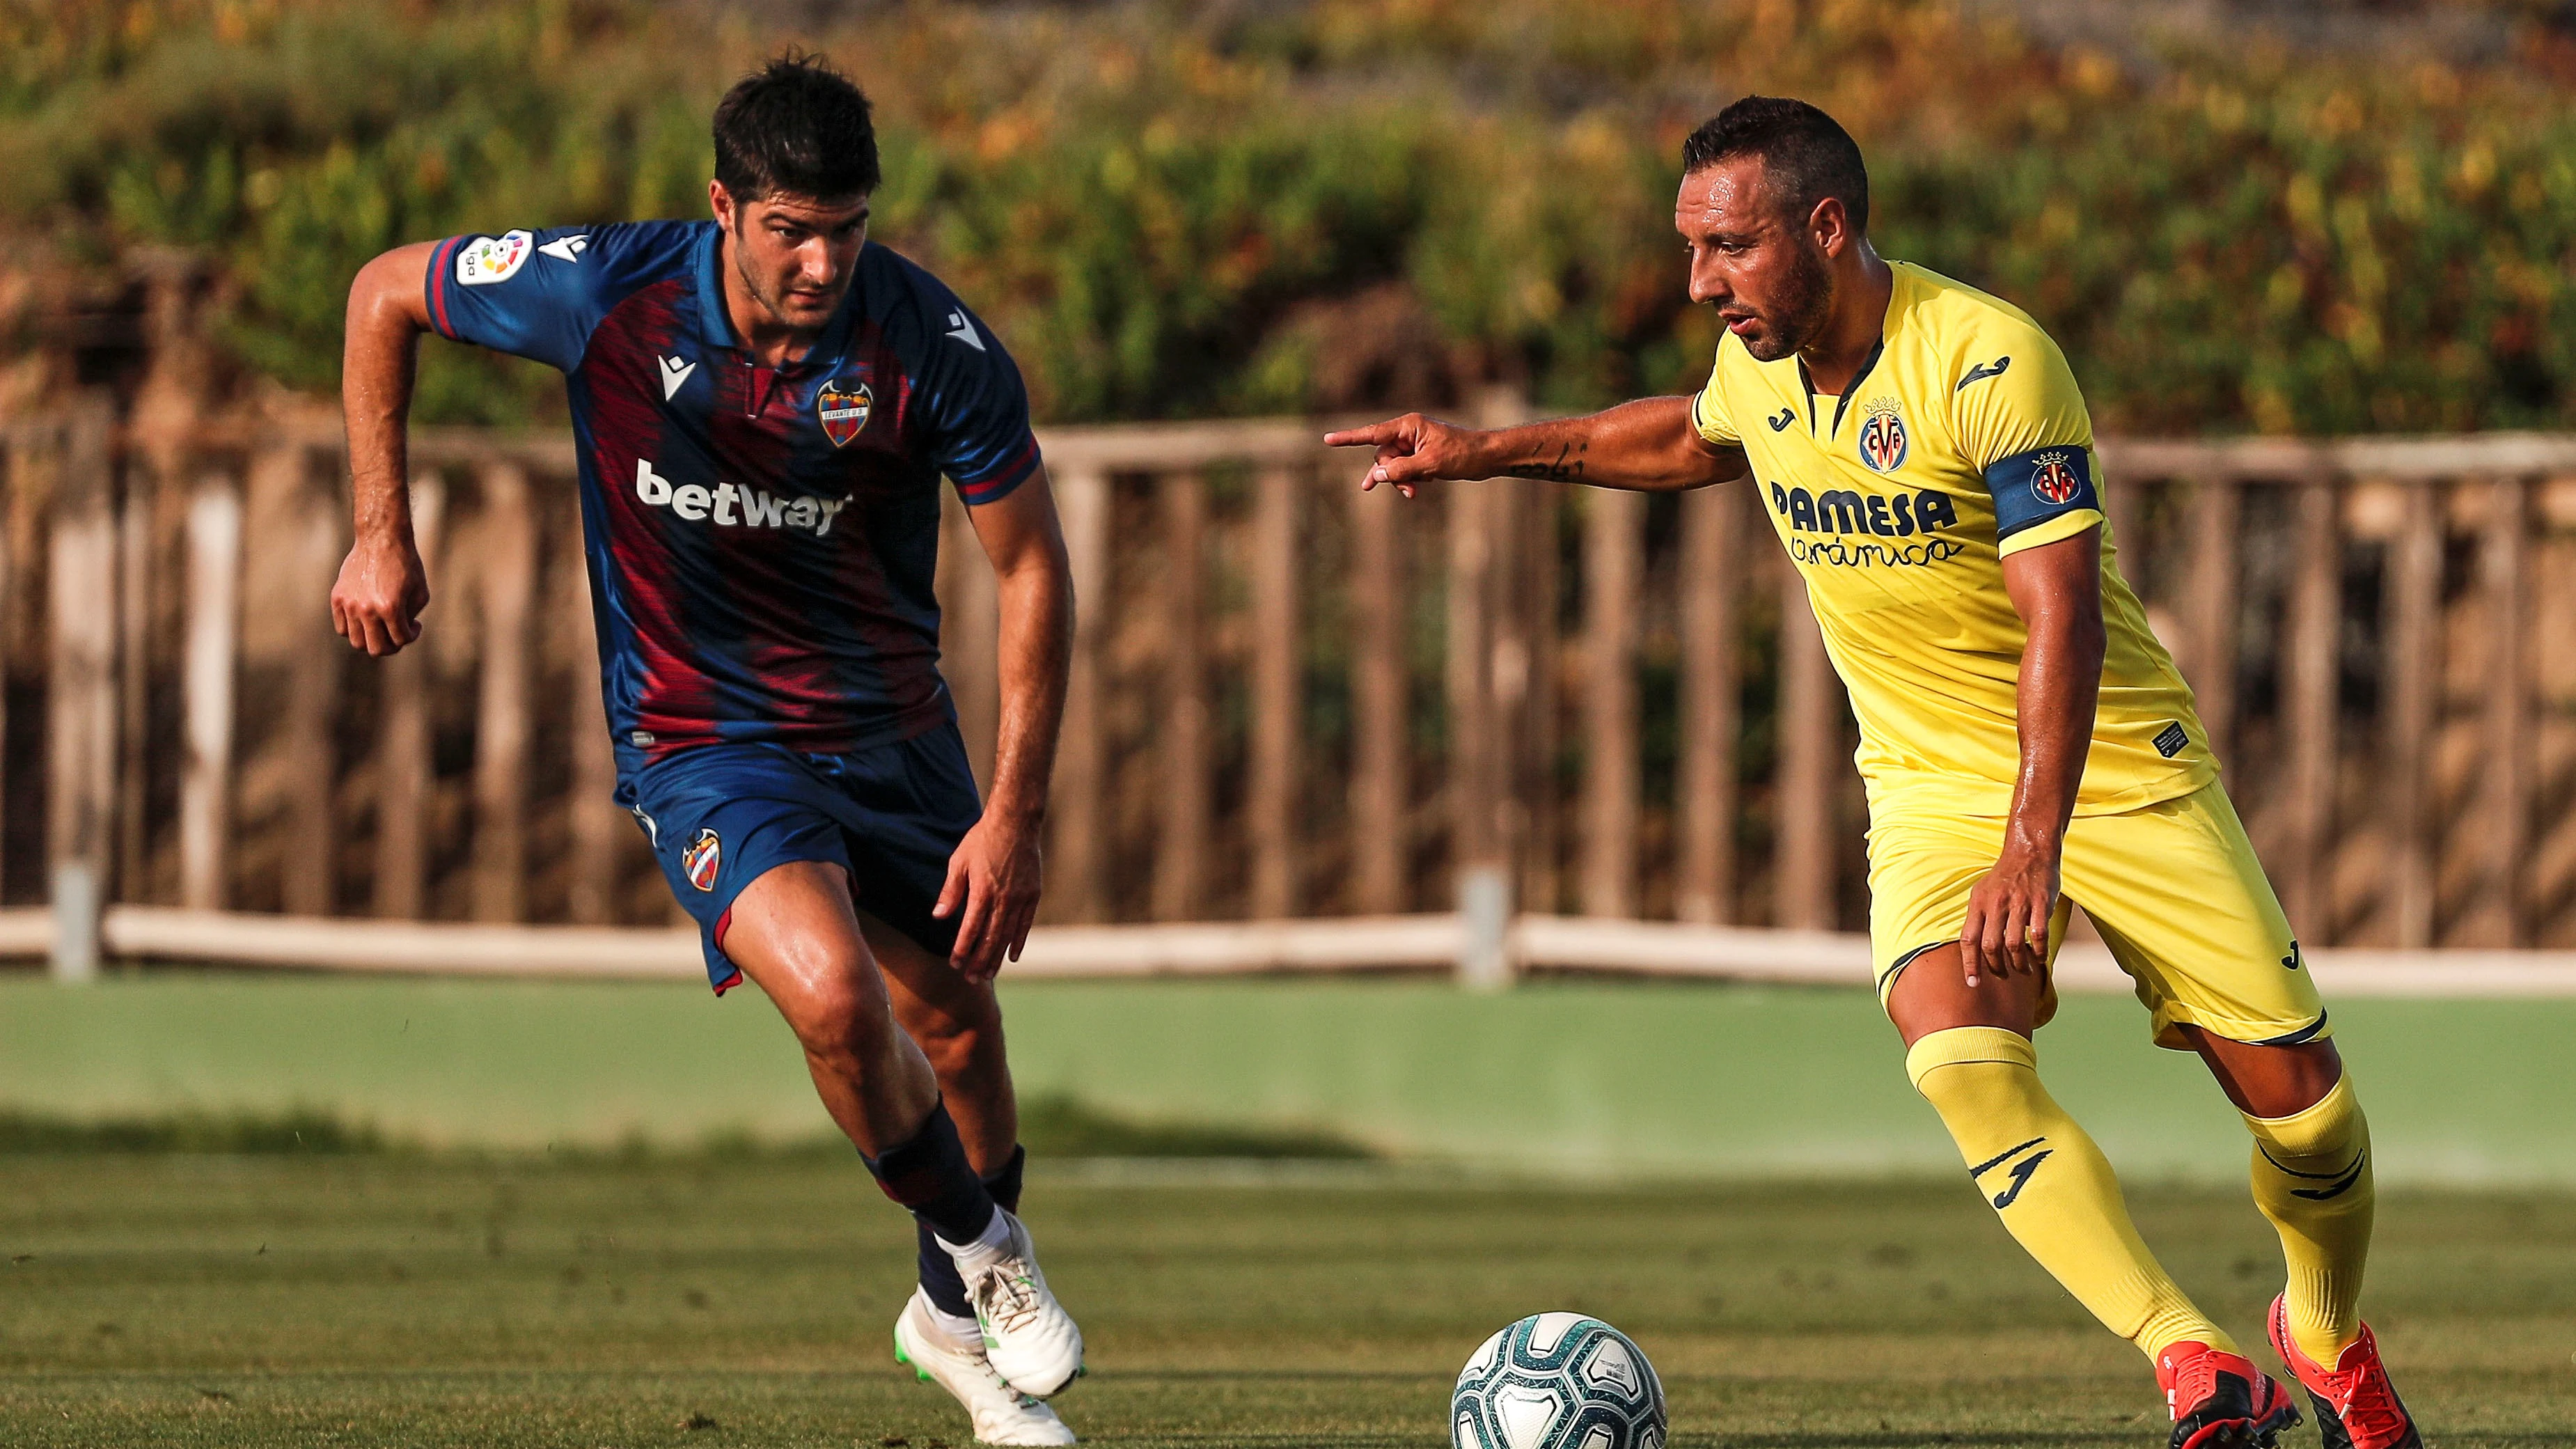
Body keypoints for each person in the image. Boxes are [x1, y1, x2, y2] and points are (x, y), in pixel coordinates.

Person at [1328, 95, 2420, 1449]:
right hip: (1924, 785)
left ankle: (2318, 1333)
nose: (1697, 283)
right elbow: (1686, 436)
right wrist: (1479, 451)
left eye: (1726, 247)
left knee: (2308, 1121)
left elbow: (2059, 617)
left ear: (1824, 227)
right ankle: (2192, 1358)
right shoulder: (1764, 372)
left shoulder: (1987, 361)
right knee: (1957, 1057)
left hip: (2110, 767)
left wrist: (2033, 840)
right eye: (1690, 250)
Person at [329, 52, 1084, 1448]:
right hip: (703, 738)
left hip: (893, 731)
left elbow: (1031, 568)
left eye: (844, 230)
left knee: (959, 1034)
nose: (819, 263)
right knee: (838, 1003)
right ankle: (985, 1250)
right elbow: (384, 291)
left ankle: (945, 1330)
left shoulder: (930, 344)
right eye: (790, 229)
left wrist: (1015, 814)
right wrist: (383, 527)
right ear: (722, 206)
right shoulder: (605, 289)